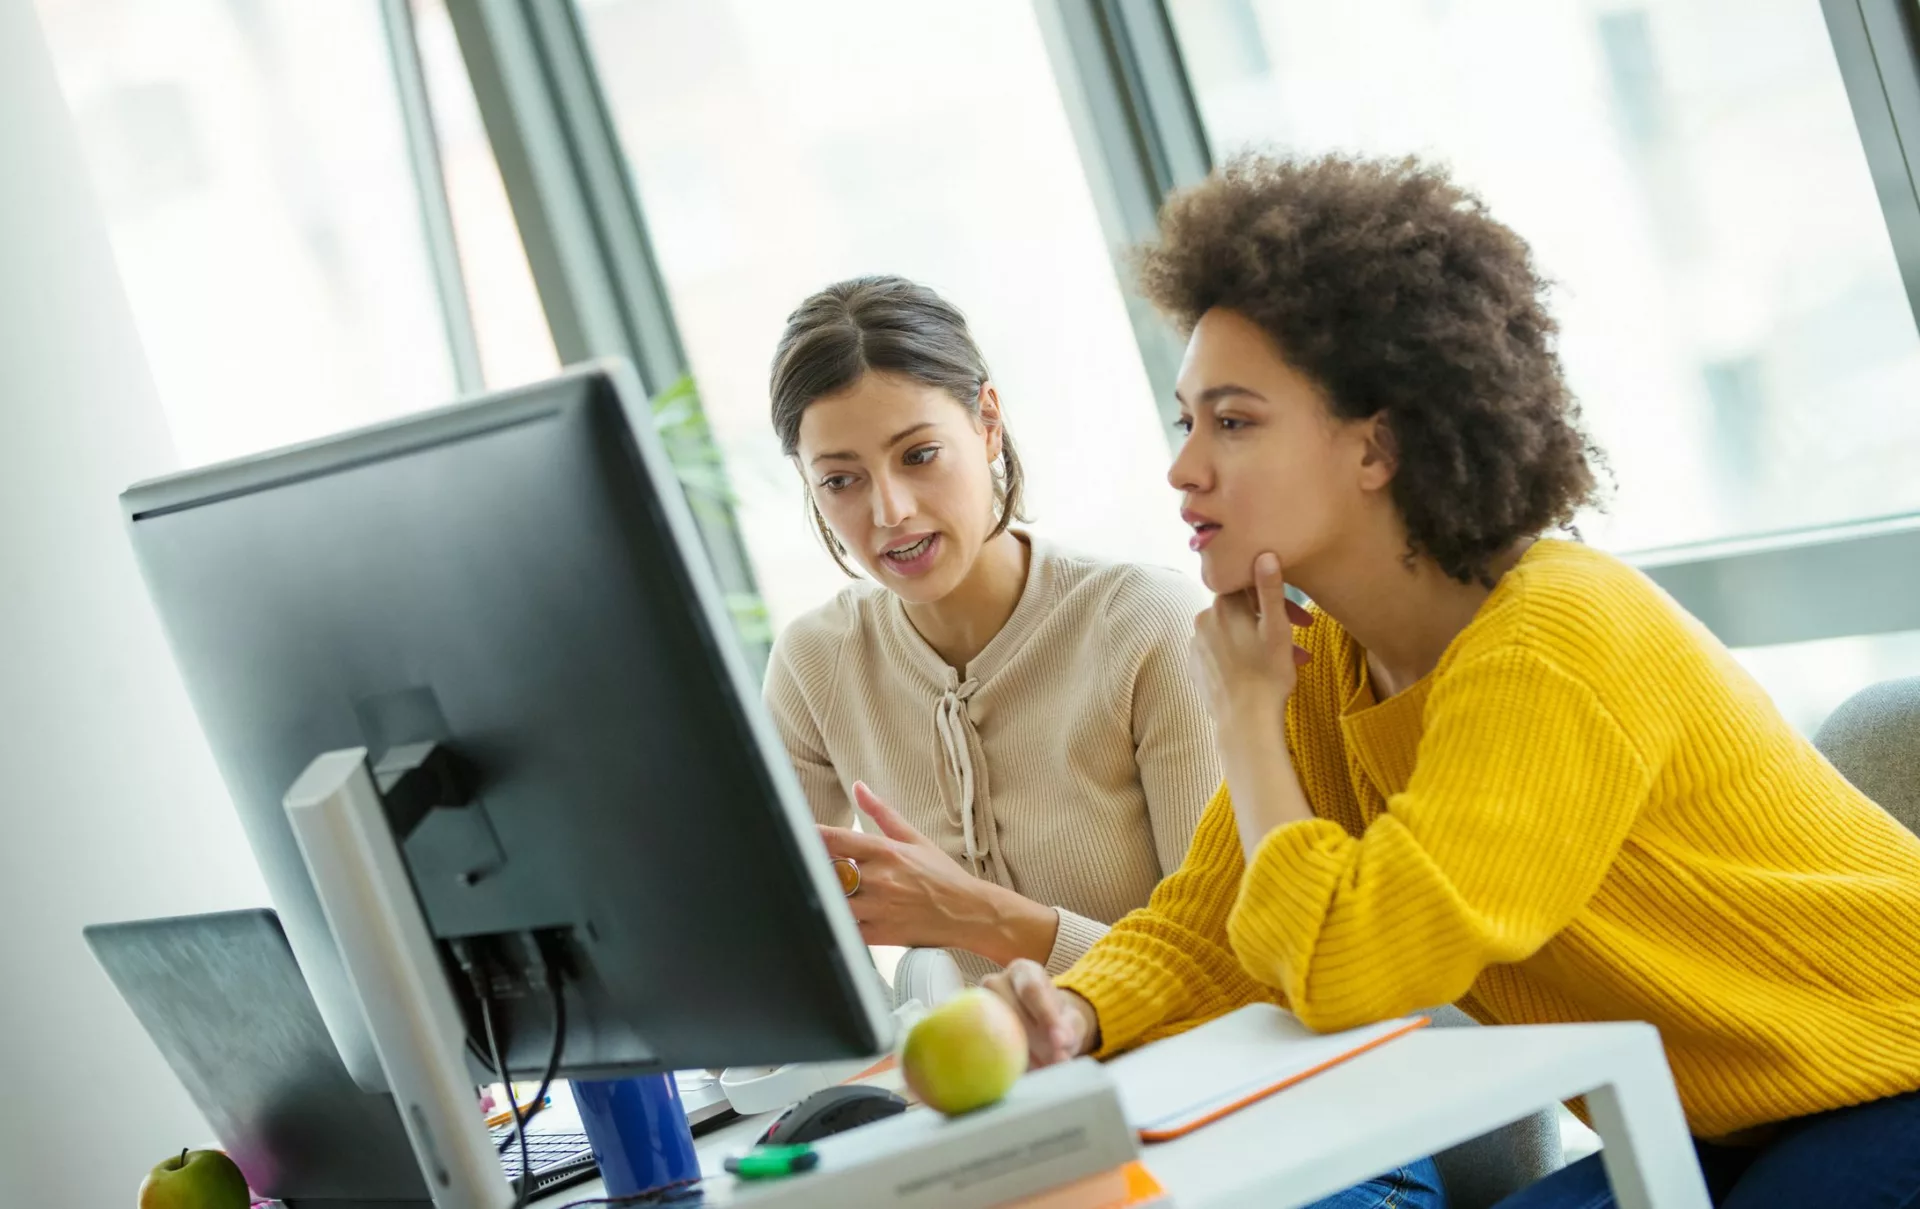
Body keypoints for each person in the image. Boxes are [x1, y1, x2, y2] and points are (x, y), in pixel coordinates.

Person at [981, 154, 1920, 1209]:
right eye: (1185, 420)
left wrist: (1244, 717)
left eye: (1233, 421)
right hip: (1735, 1125)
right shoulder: (1333, 661)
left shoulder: (1552, 642)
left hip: (1898, 1086)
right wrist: (1073, 1014)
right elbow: (1214, 928)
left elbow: (1349, 971)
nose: (1184, 467)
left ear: (1377, 446)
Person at [762, 273, 1451, 1209]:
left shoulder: (1144, 625)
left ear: (989, 425)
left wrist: (979, 918)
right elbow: (764, 955)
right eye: (840, 480)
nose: (888, 512)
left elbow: (1246, 981)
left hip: (1279, 1131)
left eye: (920, 454)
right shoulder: (816, 662)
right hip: (1060, 1153)